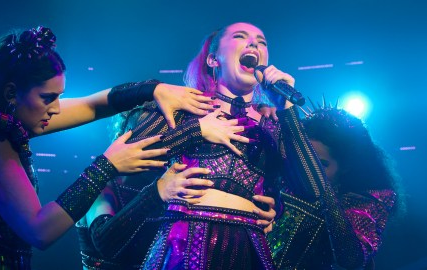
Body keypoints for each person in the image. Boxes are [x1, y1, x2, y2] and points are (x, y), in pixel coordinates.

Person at [0, 26, 217, 269]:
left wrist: (154, 89)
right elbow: (40, 230)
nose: (57, 109)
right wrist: (106, 166)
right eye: (48, 98)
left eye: (60, 96)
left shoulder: (14, 120)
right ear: (11, 93)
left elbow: (93, 106)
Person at [82, 21, 310, 270]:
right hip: (185, 241)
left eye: (262, 41)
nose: (255, 43)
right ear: (213, 60)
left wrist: (277, 205)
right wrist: (196, 130)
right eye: (240, 36)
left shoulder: (272, 121)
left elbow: (309, 189)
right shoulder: (185, 108)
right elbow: (126, 155)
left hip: (248, 245)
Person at [262, 101, 401, 269]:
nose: (308, 169)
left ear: (346, 167)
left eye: (320, 164)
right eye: (304, 160)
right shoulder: (282, 180)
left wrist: (320, 186)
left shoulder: (368, 199)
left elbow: (351, 259)